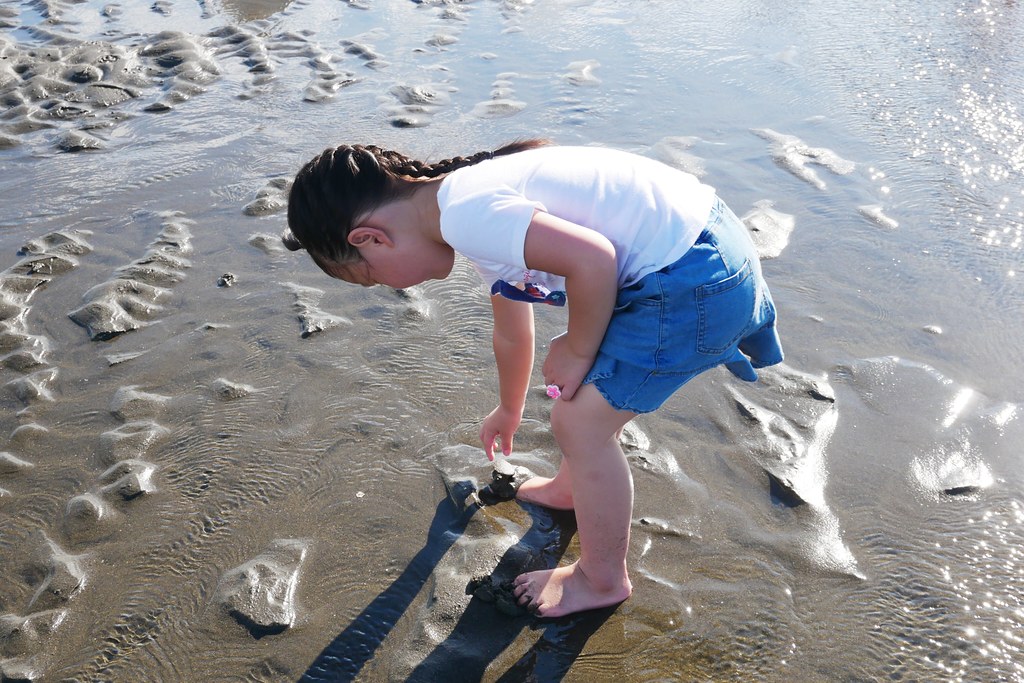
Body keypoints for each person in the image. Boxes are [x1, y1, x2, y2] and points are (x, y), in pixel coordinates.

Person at [283, 140, 783, 618]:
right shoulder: (460, 199)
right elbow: (511, 327)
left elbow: (593, 258)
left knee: (580, 423)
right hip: (708, 246)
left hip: (691, 279)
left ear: (370, 239)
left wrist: (577, 347)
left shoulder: (465, 215)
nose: (387, 285)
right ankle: (571, 489)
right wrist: (509, 407)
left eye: (372, 276)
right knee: (582, 403)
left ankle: (601, 580)